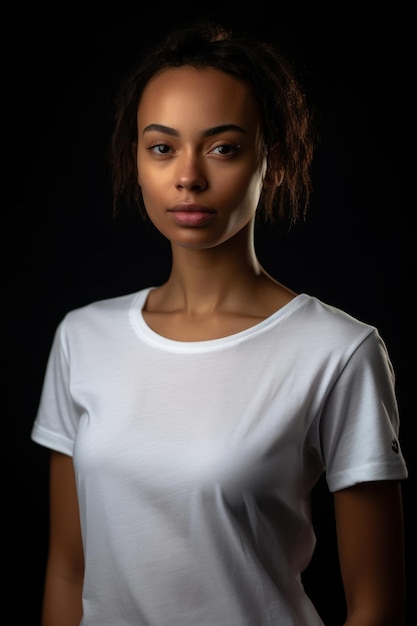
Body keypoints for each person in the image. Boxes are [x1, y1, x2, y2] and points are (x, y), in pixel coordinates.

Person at [31, 19, 408, 626]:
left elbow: (377, 605)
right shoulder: (83, 338)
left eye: (223, 147)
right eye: (162, 147)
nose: (188, 176)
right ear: (136, 160)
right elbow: (68, 570)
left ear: (274, 162)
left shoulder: (338, 351)